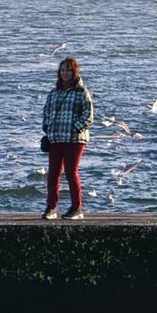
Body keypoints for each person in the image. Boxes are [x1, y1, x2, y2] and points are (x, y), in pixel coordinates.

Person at [41, 57, 94, 219]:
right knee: (53, 173)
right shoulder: (54, 92)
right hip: (56, 138)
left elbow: (88, 115)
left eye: (68, 70)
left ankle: (77, 208)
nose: (65, 73)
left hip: (75, 139)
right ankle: (51, 208)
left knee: (71, 172)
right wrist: (47, 127)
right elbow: (46, 112)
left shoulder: (81, 91)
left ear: (74, 72)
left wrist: (74, 128)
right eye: (63, 70)